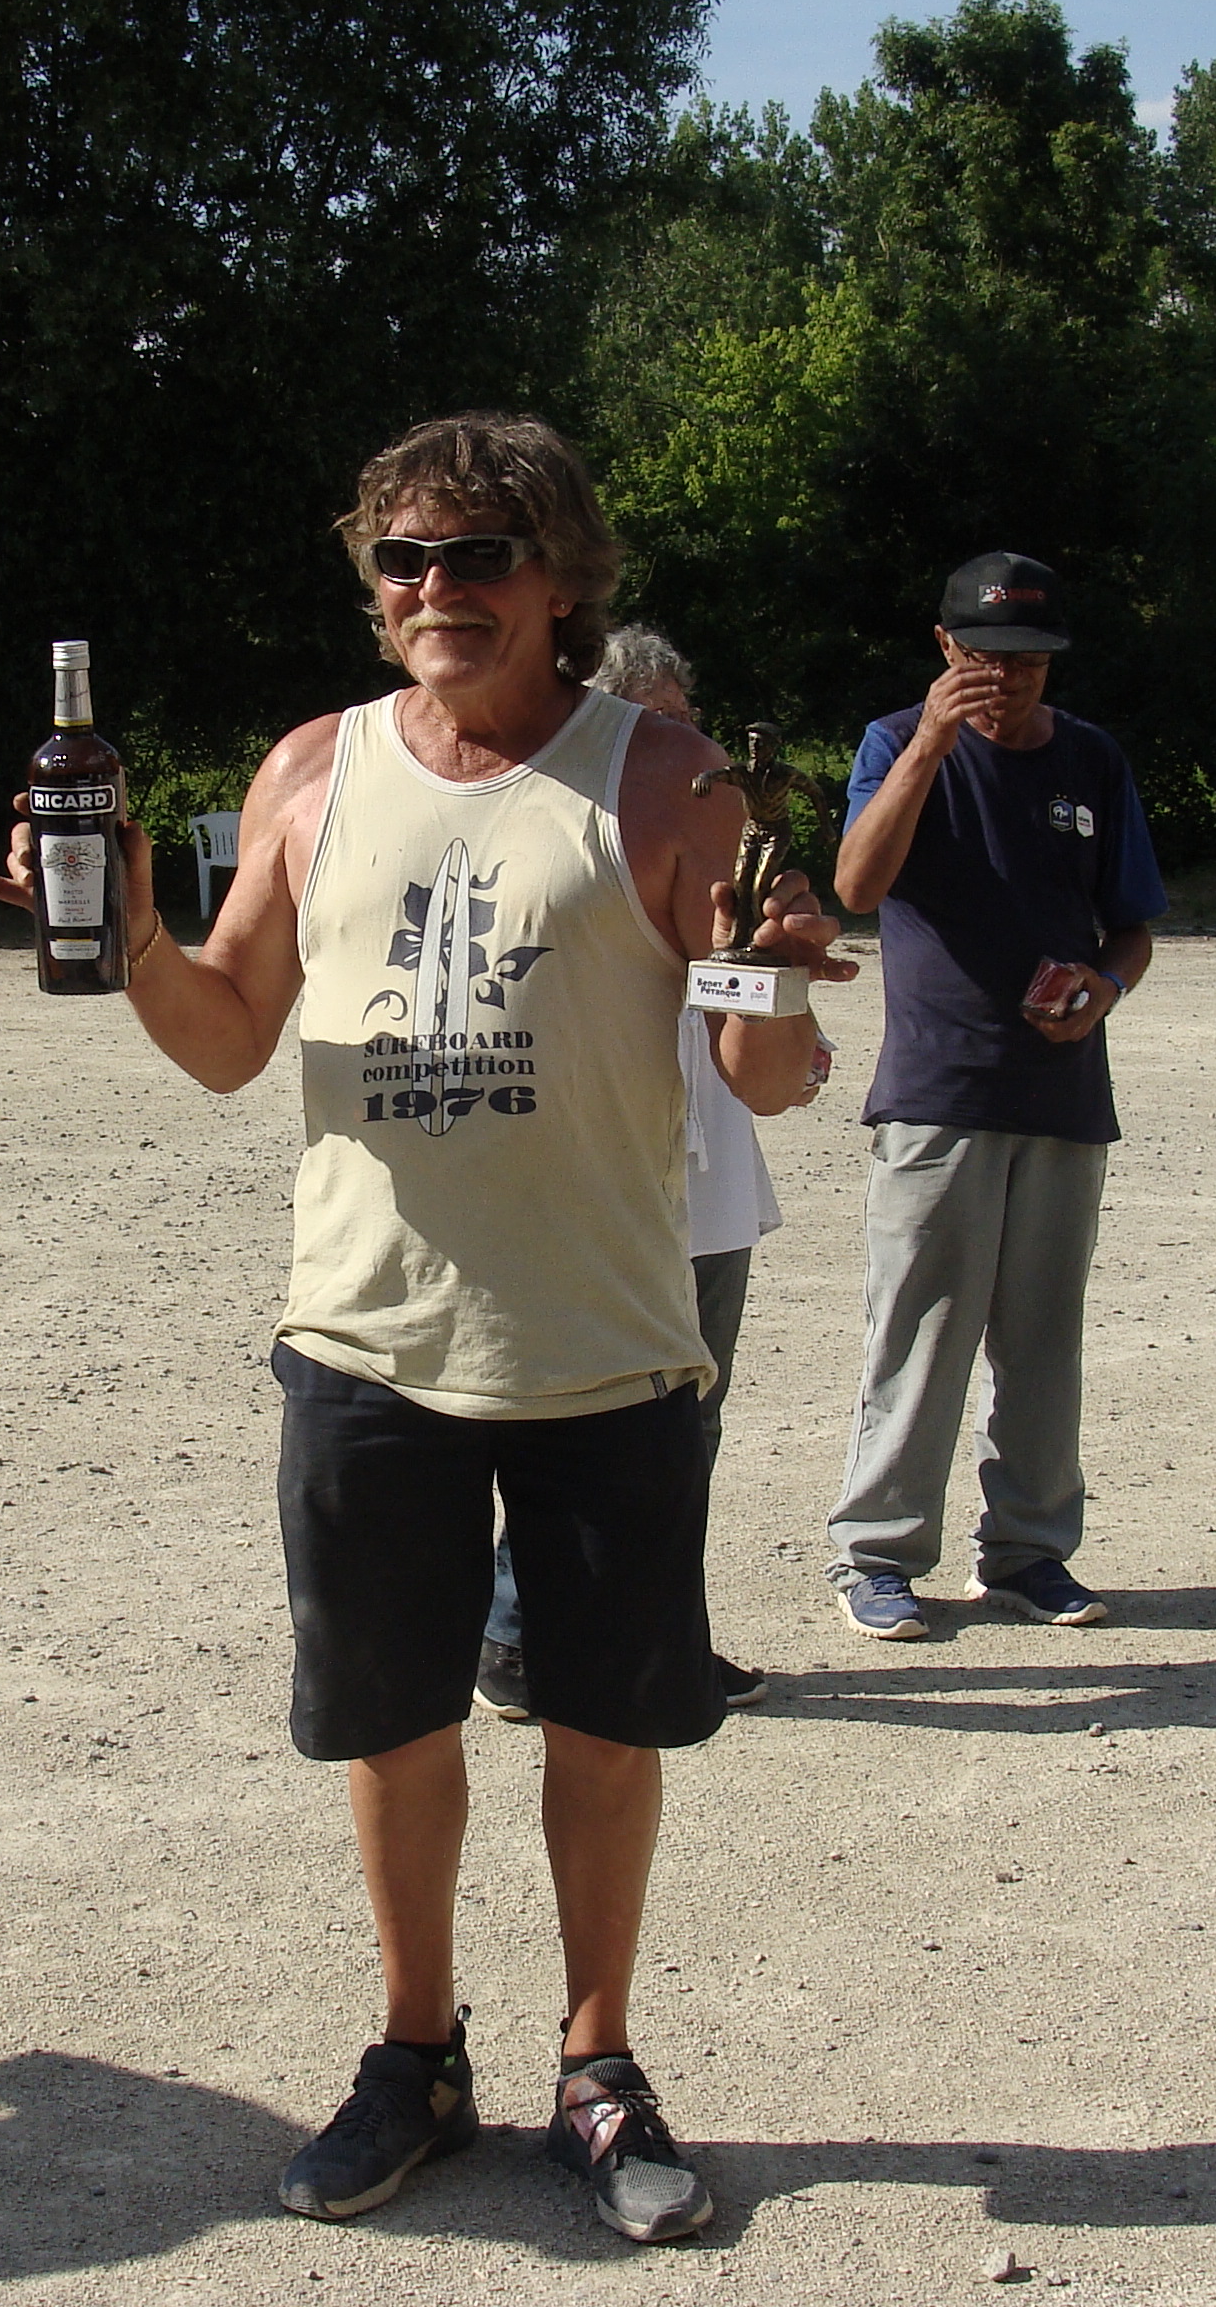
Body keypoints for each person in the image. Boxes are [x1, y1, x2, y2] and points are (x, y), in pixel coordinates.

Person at [0, 413, 849, 2244]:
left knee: (601, 1727)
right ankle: (412, 2052)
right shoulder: (311, 770)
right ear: (373, 588)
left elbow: (764, 1074)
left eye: (475, 558)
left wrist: (764, 964)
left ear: (556, 582)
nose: (434, 591)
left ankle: (595, 2063)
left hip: (601, 1337)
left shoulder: (664, 775)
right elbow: (226, 1037)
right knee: (393, 1726)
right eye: (403, 560)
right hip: (365, 1341)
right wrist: (132, 935)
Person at [474, 626, 822, 1725]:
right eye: (665, 725)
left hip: (709, 1183)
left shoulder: (719, 843)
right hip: (602, 1173)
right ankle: (515, 1636)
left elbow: (748, 1007)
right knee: (571, 1421)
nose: (693, 749)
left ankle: (663, 1633)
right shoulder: (568, 842)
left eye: (691, 721)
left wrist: (788, 1017)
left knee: (690, 1427)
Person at [821, 552, 1165, 1641]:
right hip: (939, 1089)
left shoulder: (1094, 763)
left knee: (1042, 1339)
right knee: (920, 1331)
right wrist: (929, 740)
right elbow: (857, 886)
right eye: (982, 656)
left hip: (1061, 1091)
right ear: (944, 650)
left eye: (1027, 661)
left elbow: (1133, 923)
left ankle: (1027, 1552)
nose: (1005, 679)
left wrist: (1103, 985)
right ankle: (876, 1555)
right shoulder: (894, 743)